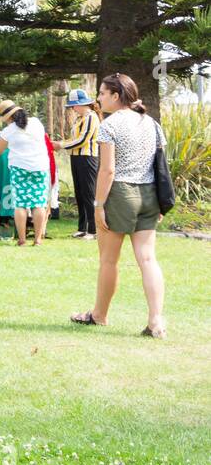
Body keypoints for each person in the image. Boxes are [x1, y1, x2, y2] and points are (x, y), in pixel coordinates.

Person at [71, 74, 167, 338]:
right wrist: (159, 201)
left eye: (102, 93)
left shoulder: (109, 125)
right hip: (149, 195)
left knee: (109, 260)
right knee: (148, 259)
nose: (98, 99)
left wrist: (98, 205)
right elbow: (159, 166)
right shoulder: (151, 123)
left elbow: (108, 170)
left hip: (120, 193)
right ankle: (156, 321)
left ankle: (99, 315)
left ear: (116, 95)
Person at [0, 99, 50, 245]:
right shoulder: (36, 122)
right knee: (38, 203)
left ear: (9, 118)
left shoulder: (8, 131)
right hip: (40, 167)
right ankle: (37, 240)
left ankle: (22, 240)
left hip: (19, 169)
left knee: (20, 204)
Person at [53, 88, 101, 240]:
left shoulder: (91, 117)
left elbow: (82, 140)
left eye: (74, 105)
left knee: (89, 194)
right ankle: (82, 228)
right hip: (76, 158)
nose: (73, 108)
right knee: (80, 193)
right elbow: (74, 139)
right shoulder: (79, 119)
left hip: (88, 158)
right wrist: (61, 144)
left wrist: (61, 145)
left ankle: (93, 230)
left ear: (82, 104)